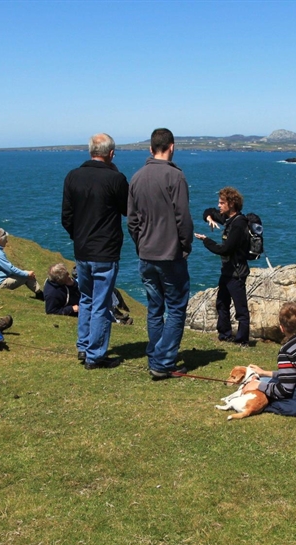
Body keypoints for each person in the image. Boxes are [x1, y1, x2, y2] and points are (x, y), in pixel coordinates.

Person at [127, 128, 194, 380]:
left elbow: (132, 221)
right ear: (172, 147)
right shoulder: (175, 177)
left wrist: (140, 244)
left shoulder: (136, 178)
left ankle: (156, 355)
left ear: (151, 148)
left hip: (146, 254)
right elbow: (183, 219)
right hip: (170, 255)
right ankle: (163, 362)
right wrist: (185, 246)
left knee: (155, 308)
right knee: (176, 308)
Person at [61, 133, 129, 369]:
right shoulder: (115, 178)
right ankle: (95, 355)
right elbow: (127, 209)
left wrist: (78, 237)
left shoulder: (72, 176)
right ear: (110, 154)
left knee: (87, 299)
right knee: (101, 303)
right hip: (105, 250)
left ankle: (84, 346)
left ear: (90, 151)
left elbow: (66, 217)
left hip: (82, 249)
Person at [194, 186, 250, 345]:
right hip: (227, 271)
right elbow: (208, 211)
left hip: (236, 272)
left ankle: (242, 340)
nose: (219, 205)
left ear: (231, 204)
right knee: (222, 303)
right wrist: (209, 219)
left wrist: (205, 240)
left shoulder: (238, 224)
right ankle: (225, 334)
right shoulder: (228, 219)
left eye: (222, 202)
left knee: (241, 309)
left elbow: (225, 249)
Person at [0, 228, 43, 297]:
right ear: (0, 240)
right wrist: (27, 274)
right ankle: (40, 295)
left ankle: (39, 294)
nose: (7, 241)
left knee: (26, 274)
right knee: (26, 276)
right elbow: (11, 269)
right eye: (5, 239)